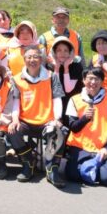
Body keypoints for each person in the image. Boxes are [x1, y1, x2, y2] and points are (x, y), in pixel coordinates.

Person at [8, 46, 66, 187]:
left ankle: (52, 168)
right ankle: (29, 162)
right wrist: (15, 119)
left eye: (35, 57)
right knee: (12, 130)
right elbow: (16, 101)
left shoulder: (51, 76)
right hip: (26, 121)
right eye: (29, 57)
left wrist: (56, 119)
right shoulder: (17, 79)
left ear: (41, 59)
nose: (32, 60)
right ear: (24, 60)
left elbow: (57, 99)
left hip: (47, 121)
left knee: (60, 132)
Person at [64, 67, 107, 187]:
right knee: (72, 176)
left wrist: (106, 148)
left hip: (102, 148)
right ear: (84, 80)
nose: (93, 82)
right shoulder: (74, 100)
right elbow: (73, 127)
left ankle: (94, 166)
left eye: (97, 79)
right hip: (80, 147)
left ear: (102, 81)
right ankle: (90, 166)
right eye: (90, 78)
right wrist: (84, 118)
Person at [49, 36, 84, 123]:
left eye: (66, 50)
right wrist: (56, 68)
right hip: (55, 101)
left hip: (72, 101)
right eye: (59, 50)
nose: (62, 53)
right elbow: (55, 89)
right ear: (54, 52)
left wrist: (66, 68)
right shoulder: (49, 66)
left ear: (70, 52)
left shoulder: (77, 66)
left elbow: (68, 89)